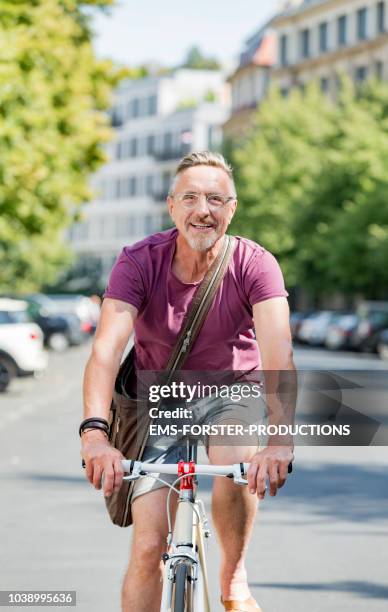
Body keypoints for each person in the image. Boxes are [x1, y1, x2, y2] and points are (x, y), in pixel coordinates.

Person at [81, 151, 295, 612]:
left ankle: (233, 577)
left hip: (231, 388)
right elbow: (105, 350)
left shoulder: (256, 264)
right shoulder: (138, 261)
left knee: (236, 464)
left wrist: (279, 441)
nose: (204, 209)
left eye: (216, 199)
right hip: (160, 396)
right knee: (147, 544)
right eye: (192, 197)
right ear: (172, 206)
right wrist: (96, 435)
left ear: (231, 209)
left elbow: (279, 353)